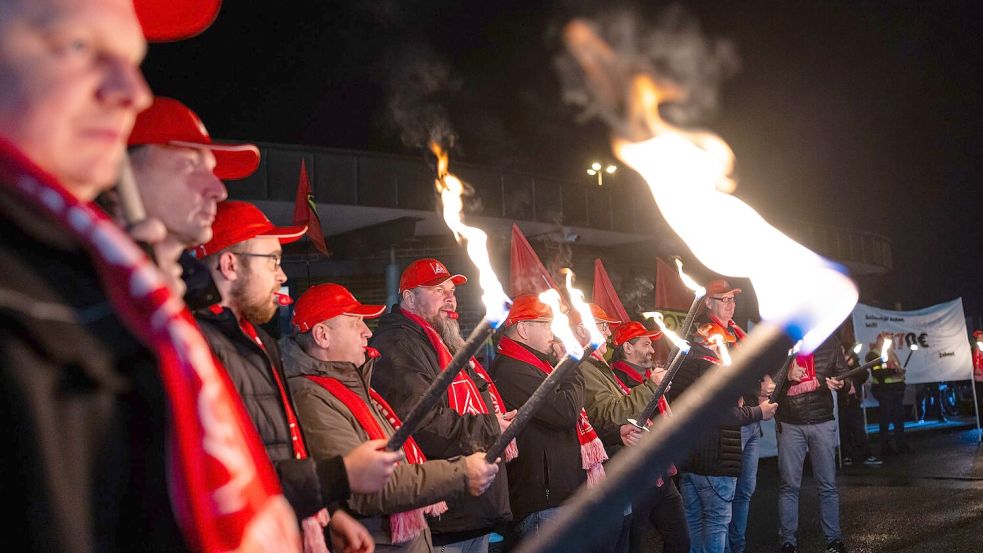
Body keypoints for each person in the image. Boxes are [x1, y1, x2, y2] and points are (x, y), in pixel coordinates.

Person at [0, 0, 304, 550]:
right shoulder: (53, 301)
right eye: (77, 45)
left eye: (131, 58)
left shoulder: (116, 298)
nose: (135, 93)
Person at [196, 200, 404, 551]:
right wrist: (341, 476)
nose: (282, 276)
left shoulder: (258, 341)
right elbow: (231, 470)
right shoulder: (199, 344)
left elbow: (282, 450)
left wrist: (329, 513)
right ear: (229, 264)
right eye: (273, 261)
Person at [281, 283, 501, 553]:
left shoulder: (356, 387)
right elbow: (372, 487)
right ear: (322, 335)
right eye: (356, 323)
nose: (367, 332)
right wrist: (461, 472)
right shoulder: (312, 398)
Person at [370, 258, 513, 553]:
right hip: (446, 515)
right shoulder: (399, 343)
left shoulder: (441, 339)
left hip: (470, 509)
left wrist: (496, 418)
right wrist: (490, 426)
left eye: (452, 290)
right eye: (438, 290)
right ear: (409, 297)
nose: (450, 298)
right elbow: (419, 420)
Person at [489, 295, 606, 547]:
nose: (553, 332)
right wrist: (572, 366)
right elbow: (564, 411)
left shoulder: (535, 364)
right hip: (543, 501)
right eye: (545, 324)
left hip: (557, 495)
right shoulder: (513, 369)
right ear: (523, 328)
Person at [667, 291, 777, 553]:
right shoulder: (705, 345)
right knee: (718, 507)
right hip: (725, 433)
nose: (730, 305)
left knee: (741, 493)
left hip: (743, 421)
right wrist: (753, 408)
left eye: (732, 299)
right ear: (708, 303)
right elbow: (718, 401)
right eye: (723, 299)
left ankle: (736, 546)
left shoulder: (738, 335)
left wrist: (760, 388)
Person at [125, 95, 258, 304]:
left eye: (212, 171)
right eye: (189, 165)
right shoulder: (68, 293)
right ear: (121, 168)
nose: (219, 191)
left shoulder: (191, 300)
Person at [584, 319, 689, 553]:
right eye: (646, 344)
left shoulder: (647, 378)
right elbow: (614, 414)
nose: (652, 349)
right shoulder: (619, 378)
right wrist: (652, 388)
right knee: (634, 544)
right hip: (638, 475)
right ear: (628, 348)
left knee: (680, 541)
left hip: (660, 471)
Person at [774, 335, 849, 553]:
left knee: (828, 485)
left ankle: (833, 540)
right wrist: (787, 376)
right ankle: (788, 542)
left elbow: (845, 376)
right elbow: (769, 386)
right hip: (790, 423)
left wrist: (842, 383)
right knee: (789, 485)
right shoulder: (782, 342)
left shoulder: (831, 341)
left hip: (822, 421)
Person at [836, 341, 881, 466]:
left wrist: (853, 365)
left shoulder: (853, 361)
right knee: (844, 430)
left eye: (842, 348)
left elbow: (864, 375)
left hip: (853, 401)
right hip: (841, 402)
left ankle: (866, 455)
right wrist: (846, 366)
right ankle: (846, 455)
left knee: (859, 429)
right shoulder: (834, 364)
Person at [868, 332, 910, 456]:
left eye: (890, 341)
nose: (889, 343)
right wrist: (894, 371)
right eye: (886, 340)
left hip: (896, 391)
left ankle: (901, 444)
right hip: (884, 391)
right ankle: (885, 448)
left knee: (899, 419)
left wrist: (900, 372)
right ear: (879, 341)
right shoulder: (873, 355)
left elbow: (897, 370)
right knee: (885, 419)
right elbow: (877, 373)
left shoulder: (892, 354)